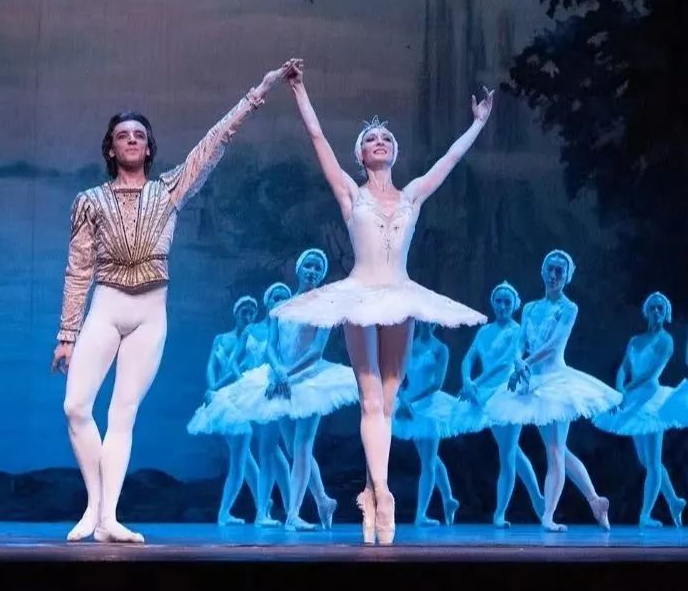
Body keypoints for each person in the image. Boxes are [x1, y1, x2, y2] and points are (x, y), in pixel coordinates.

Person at [51, 61, 293, 543]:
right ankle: (95, 506)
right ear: (111, 147)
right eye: (123, 135)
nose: (131, 140)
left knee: (122, 414)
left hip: (148, 314)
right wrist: (66, 334)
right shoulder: (90, 201)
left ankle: (107, 518)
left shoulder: (168, 190)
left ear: (149, 146)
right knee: (76, 407)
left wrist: (259, 91)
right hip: (106, 306)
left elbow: (215, 142)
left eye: (139, 135)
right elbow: (78, 269)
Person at [271, 58, 491, 544]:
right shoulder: (351, 195)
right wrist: (300, 91)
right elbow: (318, 139)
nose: (379, 142)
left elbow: (449, 161)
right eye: (371, 139)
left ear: (394, 151)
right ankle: (384, 494)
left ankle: (371, 493)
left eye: (386, 138)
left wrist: (477, 124)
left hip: (400, 294)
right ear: (360, 154)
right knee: (370, 399)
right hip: (360, 295)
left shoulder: (412, 196)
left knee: (387, 403)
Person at [206, 248, 357, 530]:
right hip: (280, 380)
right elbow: (271, 348)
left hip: (310, 380)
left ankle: (293, 514)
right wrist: (278, 371)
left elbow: (315, 351)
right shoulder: (280, 309)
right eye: (308, 266)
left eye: (318, 268)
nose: (312, 271)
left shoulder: (324, 308)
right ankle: (323, 500)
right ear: (298, 269)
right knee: (290, 447)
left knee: (302, 444)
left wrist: (288, 374)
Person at [486, 250, 621, 532]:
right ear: (542, 271)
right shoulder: (530, 308)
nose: (554, 275)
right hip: (533, 385)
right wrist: (518, 361)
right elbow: (519, 342)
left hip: (557, 383)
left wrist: (524, 363)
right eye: (550, 268)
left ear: (568, 276)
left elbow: (553, 346)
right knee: (559, 450)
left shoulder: (569, 308)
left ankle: (548, 515)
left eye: (560, 271)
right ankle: (595, 501)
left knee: (555, 451)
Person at [457, 282, 545, 527]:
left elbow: (505, 363)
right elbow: (468, 358)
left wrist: (475, 382)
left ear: (515, 305)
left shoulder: (517, 331)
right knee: (512, 450)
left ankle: (500, 512)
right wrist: (466, 380)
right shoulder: (484, 331)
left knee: (507, 454)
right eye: (499, 301)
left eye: (507, 302)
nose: (503, 306)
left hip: (508, 393)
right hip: (486, 395)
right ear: (492, 303)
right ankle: (537, 498)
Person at [594, 292, 685, 527]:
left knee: (653, 463)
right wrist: (619, 389)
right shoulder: (635, 340)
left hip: (653, 399)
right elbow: (624, 367)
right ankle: (674, 500)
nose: (656, 311)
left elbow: (650, 373)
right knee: (646, 461)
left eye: (660, 308)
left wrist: (626, 389)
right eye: (652, 307)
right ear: (646, 311)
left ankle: (645, 515)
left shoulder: (666, 340)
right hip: (633, 399)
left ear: (666, 313)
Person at [187, 296, 264, 526]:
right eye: (244, 312)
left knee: (242, 456)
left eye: (252, 313)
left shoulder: (251, 341)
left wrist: (216, 389)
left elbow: (238, 370)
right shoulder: (221, 339)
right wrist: (212, 388)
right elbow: (211, 365)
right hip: (222, 401)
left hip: (237, 398)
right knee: (242, 456)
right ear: (236, 313)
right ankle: (258, 505)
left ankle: (234, 511)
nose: (248, 316)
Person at [392, 322, 461, 526]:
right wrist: (403, 400)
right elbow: (396, 377)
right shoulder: (407, 345)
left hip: (430, 407)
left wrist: (411, 401)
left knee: (428, 461)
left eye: (431, 321)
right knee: (428, 457)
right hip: (410, 406)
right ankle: (448, 499)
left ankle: (421, 514)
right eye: (424, 320)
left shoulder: (441, 349)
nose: (427, 324)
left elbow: (437, 384)